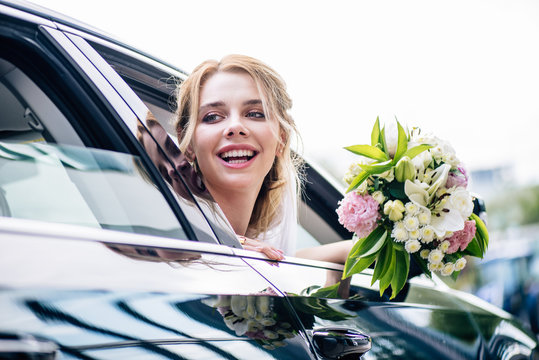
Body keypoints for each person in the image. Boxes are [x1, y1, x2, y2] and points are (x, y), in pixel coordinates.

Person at [174, 54, 352, 262]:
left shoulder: (261, 248)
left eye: (255, 113)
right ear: (187, 143)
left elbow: (285, 259)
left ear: (281, 139)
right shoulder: (167, 237)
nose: (235, 127)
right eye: (212, 116)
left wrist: (347, 253)